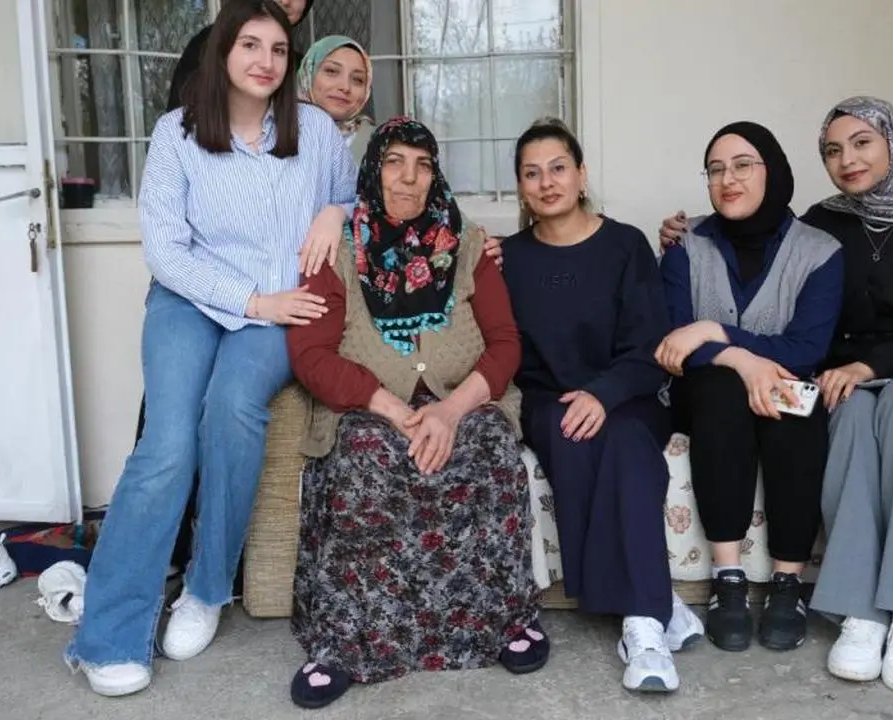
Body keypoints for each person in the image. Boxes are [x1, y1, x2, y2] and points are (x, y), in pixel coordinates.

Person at [64, 0, 356, 698]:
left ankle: (205, 588)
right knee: (167, 443)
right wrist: (252, 300)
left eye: (278, 50)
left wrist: (333, 210)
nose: (265, 61)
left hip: (281, 309)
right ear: (223, 51)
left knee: (231, 409)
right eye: (250, 45)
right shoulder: (177, 133)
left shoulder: (315, 130)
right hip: (192, 300)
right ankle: (108, 635)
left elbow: (353, 197)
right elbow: (166, 253)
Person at [660, 96, 893, 695]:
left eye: (862, 143)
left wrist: (865, 365)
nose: (848, 159)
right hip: (844, 377)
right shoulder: (826, 221)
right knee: (846, 414)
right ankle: (859, 612)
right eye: (834, 150)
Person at [284, 117, 543, 711]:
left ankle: (501, 622)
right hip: (368, 405)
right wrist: (387, 406)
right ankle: (344, 644)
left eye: (422, 165)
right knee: (365, 459)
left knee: (489, 448)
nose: (409, 177)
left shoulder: (467, 243)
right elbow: (310, 353)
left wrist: (450, 410)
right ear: (373, 171)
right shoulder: (337, 247)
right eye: (395, 162)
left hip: (462, 399)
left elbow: (505, 343)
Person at [498, 118, 704, 694]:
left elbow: (650, 347)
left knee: (627, 441)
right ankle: (656, 606)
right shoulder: (508, 259)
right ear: (520, 187)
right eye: (532, 174)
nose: (547, 182)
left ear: (582, 175)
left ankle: (641, 624)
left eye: (558, 168)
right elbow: (505, 347)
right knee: (572, 435)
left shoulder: (625, 245)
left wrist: (604, 393)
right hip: (548, 398)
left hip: (629, 391)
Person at [655, 122, 842, 654]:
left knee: (799, 403)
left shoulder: (821, 251)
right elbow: (673, 341)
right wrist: (739, 358)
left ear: (773, 171)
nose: (727, 179)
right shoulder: (685, 244)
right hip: (699, 393)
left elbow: (806, 348)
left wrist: (713, 330)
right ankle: (728, 579)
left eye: (742, 166)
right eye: (715, 170)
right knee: (722, 391)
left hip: (783, 384)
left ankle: (787, 582)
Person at [166, 0, 315, 112]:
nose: (286, 1)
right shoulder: (210, 41)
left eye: (279, 51)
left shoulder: (303, 64)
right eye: (249, 45)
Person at [297, 34, 373, 161]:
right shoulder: (272, 135)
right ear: (308, 74)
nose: (345, 87)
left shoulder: (381, 144)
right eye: (331, 71)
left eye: (357, 79)